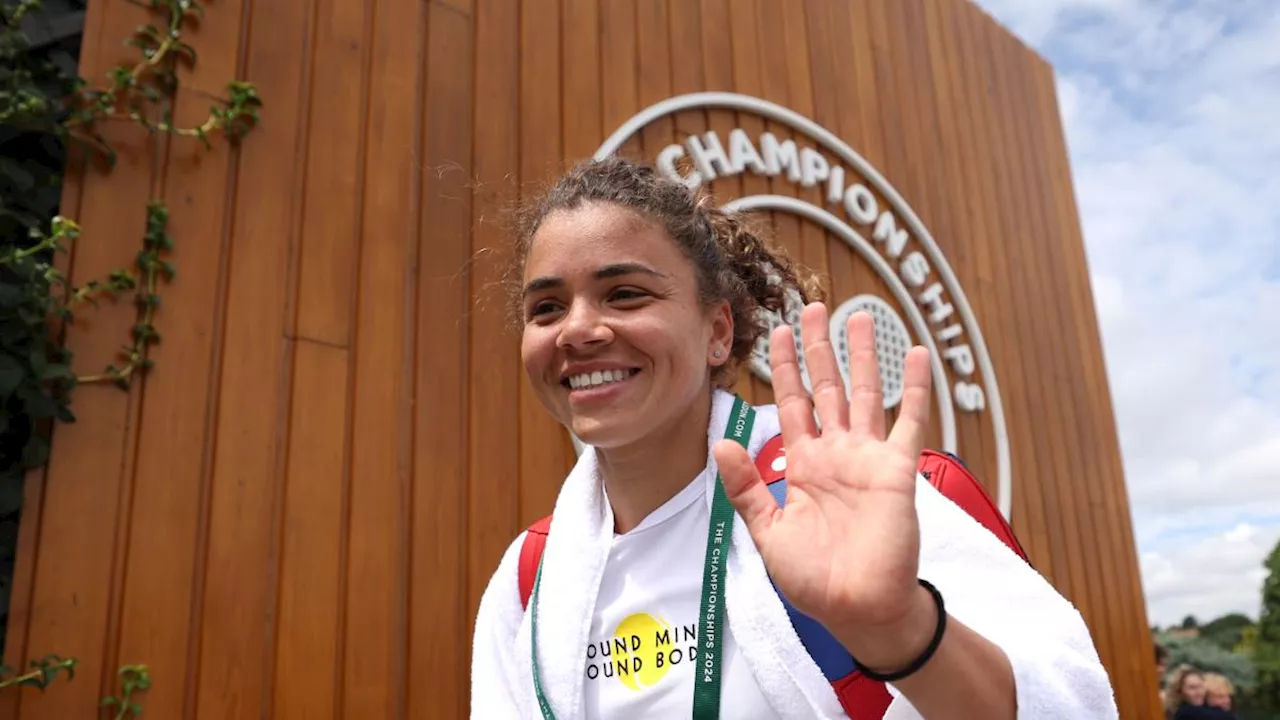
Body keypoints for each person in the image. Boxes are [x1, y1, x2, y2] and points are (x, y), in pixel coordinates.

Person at [469, 157, 1119, 718]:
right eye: (546, 308)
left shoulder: (875, 507)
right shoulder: (530, 578)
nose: (577, 330)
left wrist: (901, 630)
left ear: (718, 331)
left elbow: (1069, 705)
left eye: (626, 294)